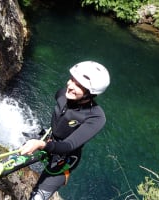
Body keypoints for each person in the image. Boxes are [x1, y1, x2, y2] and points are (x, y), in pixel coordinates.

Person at [19, 61, 110, 200]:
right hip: (48, 140)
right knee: (8, 163)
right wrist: (43, 143)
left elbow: (69, 145)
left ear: (91, 93)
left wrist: (41, 145)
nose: (70, 86)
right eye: (72, 80)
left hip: (64, 159)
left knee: (37, 197)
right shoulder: (63, 94)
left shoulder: (96, 117)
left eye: (79, 85)